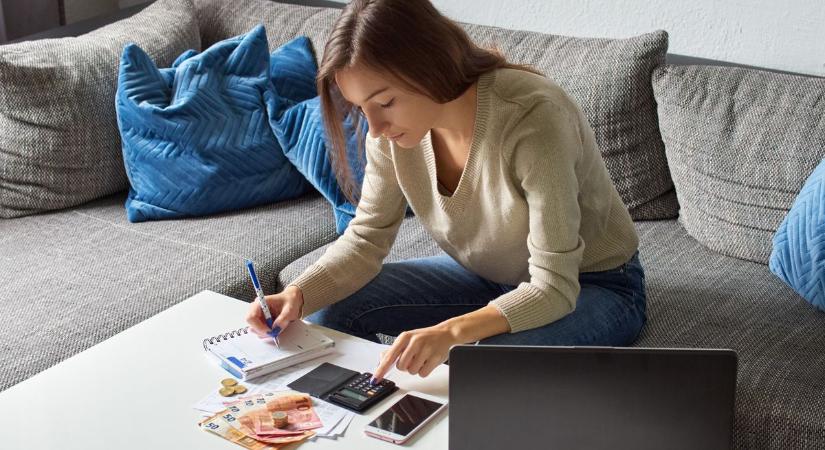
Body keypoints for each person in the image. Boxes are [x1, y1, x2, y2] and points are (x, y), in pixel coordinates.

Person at [246, 0, 646, 383]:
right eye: (360, 108)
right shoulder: (389, 135)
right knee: (329, 308)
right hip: (491, 277)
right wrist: (298, 293)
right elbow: (366, 238)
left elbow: (554, 287)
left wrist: (451, 332)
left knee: (480, 367)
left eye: (385, 102)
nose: (375, 127)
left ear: (428, 68)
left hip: (591, 284)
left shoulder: (532, 119)